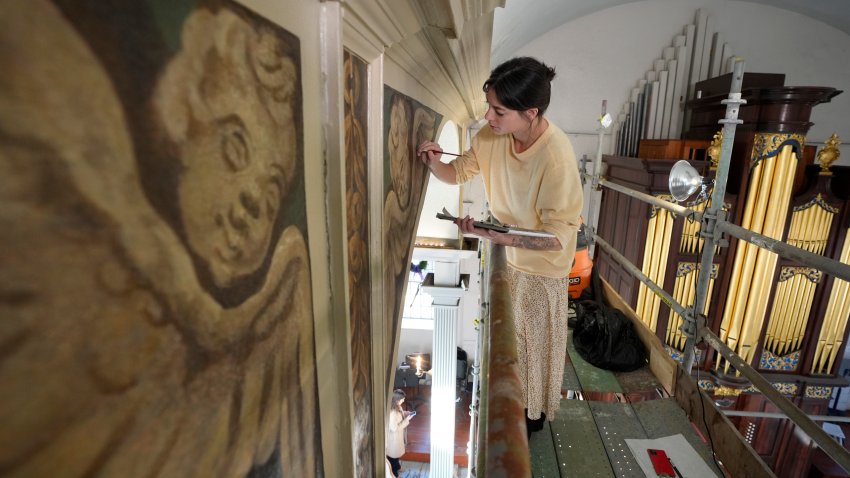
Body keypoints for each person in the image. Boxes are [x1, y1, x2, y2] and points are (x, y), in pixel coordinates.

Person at [416, 57, 583, 439]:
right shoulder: (492, 136)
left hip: (545, 269)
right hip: (508, 257)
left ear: (531, 113)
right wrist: (432, 161)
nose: (489, 117)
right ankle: (513, 414)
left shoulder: (556, 156)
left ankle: (531, 423)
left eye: (499, 111)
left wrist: (493, 235)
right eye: (489, 106)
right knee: (510, 347)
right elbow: (457, 172)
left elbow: (556, 237)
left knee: (533, 352)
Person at [386, 389, 414, 477]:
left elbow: (400, 414)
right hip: (393, 438)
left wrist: (406, 414)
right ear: (397, 400)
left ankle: (397, 466)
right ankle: (394, 473)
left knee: (396, 456)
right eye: (402, 399)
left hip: (398, 437)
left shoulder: (398, 406)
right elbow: (394, 428)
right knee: (393, 457)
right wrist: (406, 420)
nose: (404, 400)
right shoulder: (392, 412)